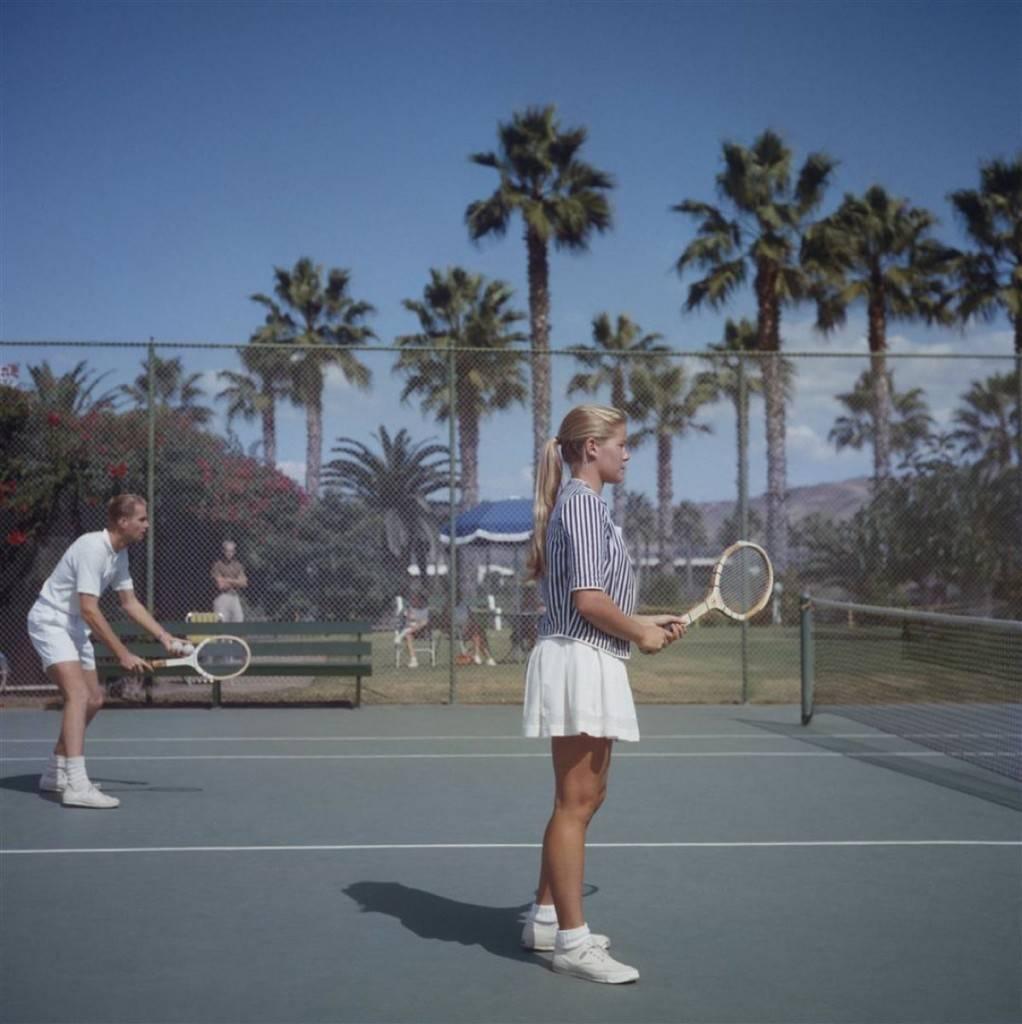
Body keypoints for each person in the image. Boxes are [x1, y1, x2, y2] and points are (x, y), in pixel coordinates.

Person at [520, 405, 686, 984]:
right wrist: (640, 632)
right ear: (591, 447)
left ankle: (545, 919)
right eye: (621, 443)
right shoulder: (583, 506)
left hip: (586, 655)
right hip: (580, 659)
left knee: (582, 798)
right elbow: (588, 603)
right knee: (577, 802)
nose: (628, 452)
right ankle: (572, 941)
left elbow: (590, 601)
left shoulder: (582, 506)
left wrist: (643, 618)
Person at [26, 494, 191, 809]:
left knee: (95, 699)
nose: (147, 525)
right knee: (77, 695)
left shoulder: (120, 554)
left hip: (73, 624)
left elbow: (129, 603)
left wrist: (165, 636)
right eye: (142, 519)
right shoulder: (92, 548)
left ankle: (54, 772)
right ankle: (76, 784)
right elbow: (90, 610)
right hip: (51, 620)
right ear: (122, 522)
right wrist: (123, 654)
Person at [211, 539, 247, 622]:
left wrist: (227, 580)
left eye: (232, 551)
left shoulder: (238, 565)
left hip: (235, 597)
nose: (229, 553)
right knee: (222, 627)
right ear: (223, 551)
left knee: (239, 622)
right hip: (221, 597)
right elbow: (221, 585)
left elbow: (244, 583)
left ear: (234, 552)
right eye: (227, 551)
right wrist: (236, 581)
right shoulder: (217, 565)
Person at [394, 591, 429, 668]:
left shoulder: (425, 609)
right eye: (414, 599)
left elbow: (424, 622)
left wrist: (416, 621)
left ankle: (400, 636)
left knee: (423, 622)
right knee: (408, 635)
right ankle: (414, 660)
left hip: (422, 631)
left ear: (421, 600)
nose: (414, 601)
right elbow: (408, 619)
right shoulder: (410, 608)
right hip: (410, 629)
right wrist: (410, 618)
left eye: (417, 599)